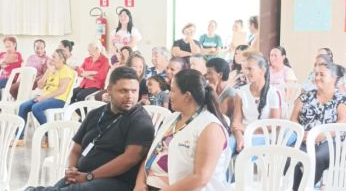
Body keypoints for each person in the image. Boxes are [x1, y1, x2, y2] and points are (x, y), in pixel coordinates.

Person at [26, 67, 155, 191]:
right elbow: (76, 149)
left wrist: (89, 176)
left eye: (134, 91)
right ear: (109, 90)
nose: (130, 96)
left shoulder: (141, 121)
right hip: (83, 176)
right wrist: (72, 169)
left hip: (116, 181)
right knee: (56, 188)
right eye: (123, 91)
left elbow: (129, 159)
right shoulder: (95, 114)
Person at [134, 69, 231, 191]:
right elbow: (152, 153)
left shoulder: (210, 127)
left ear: (187, 96)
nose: (169, 95)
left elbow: (200, 178)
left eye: (173, 91)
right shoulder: (173, 118)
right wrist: (139, 183)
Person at [291, 60, 346, 191]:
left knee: (317, 157)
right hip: (304, 139)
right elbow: (293, 118)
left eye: (322, 74)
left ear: (333, 78)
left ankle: (303, 188)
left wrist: (320, 135)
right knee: (292, 155)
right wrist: (302, 133)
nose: (317, 78)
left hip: (331, 142)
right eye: (316, 74)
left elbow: (343, 122)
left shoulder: (342, 99)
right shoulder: (305, 96)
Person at [16, 49, 75, 147]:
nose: (51, 58)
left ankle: (50, 135)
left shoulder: (66, 71)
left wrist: (44, 97)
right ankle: (19, 138)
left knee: (36, 108)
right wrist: (48, 72)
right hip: (45, 96)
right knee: (23, 106)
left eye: (54, 57)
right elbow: (40, 86)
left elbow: (62, 90)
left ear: (61, 59)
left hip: (59, 99)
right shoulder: (52, 69)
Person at [231, 53, 281, 153]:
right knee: (225, 148)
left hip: (264, 137)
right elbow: (236, 123)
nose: (246, 72)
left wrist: (247, 129)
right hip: (243, 134)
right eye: (245, 69)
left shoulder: (273, 93)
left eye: (250, 69)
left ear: (262, 71)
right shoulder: (241, 92)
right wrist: (240, 138)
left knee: (247, 152)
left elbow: (273, 126)